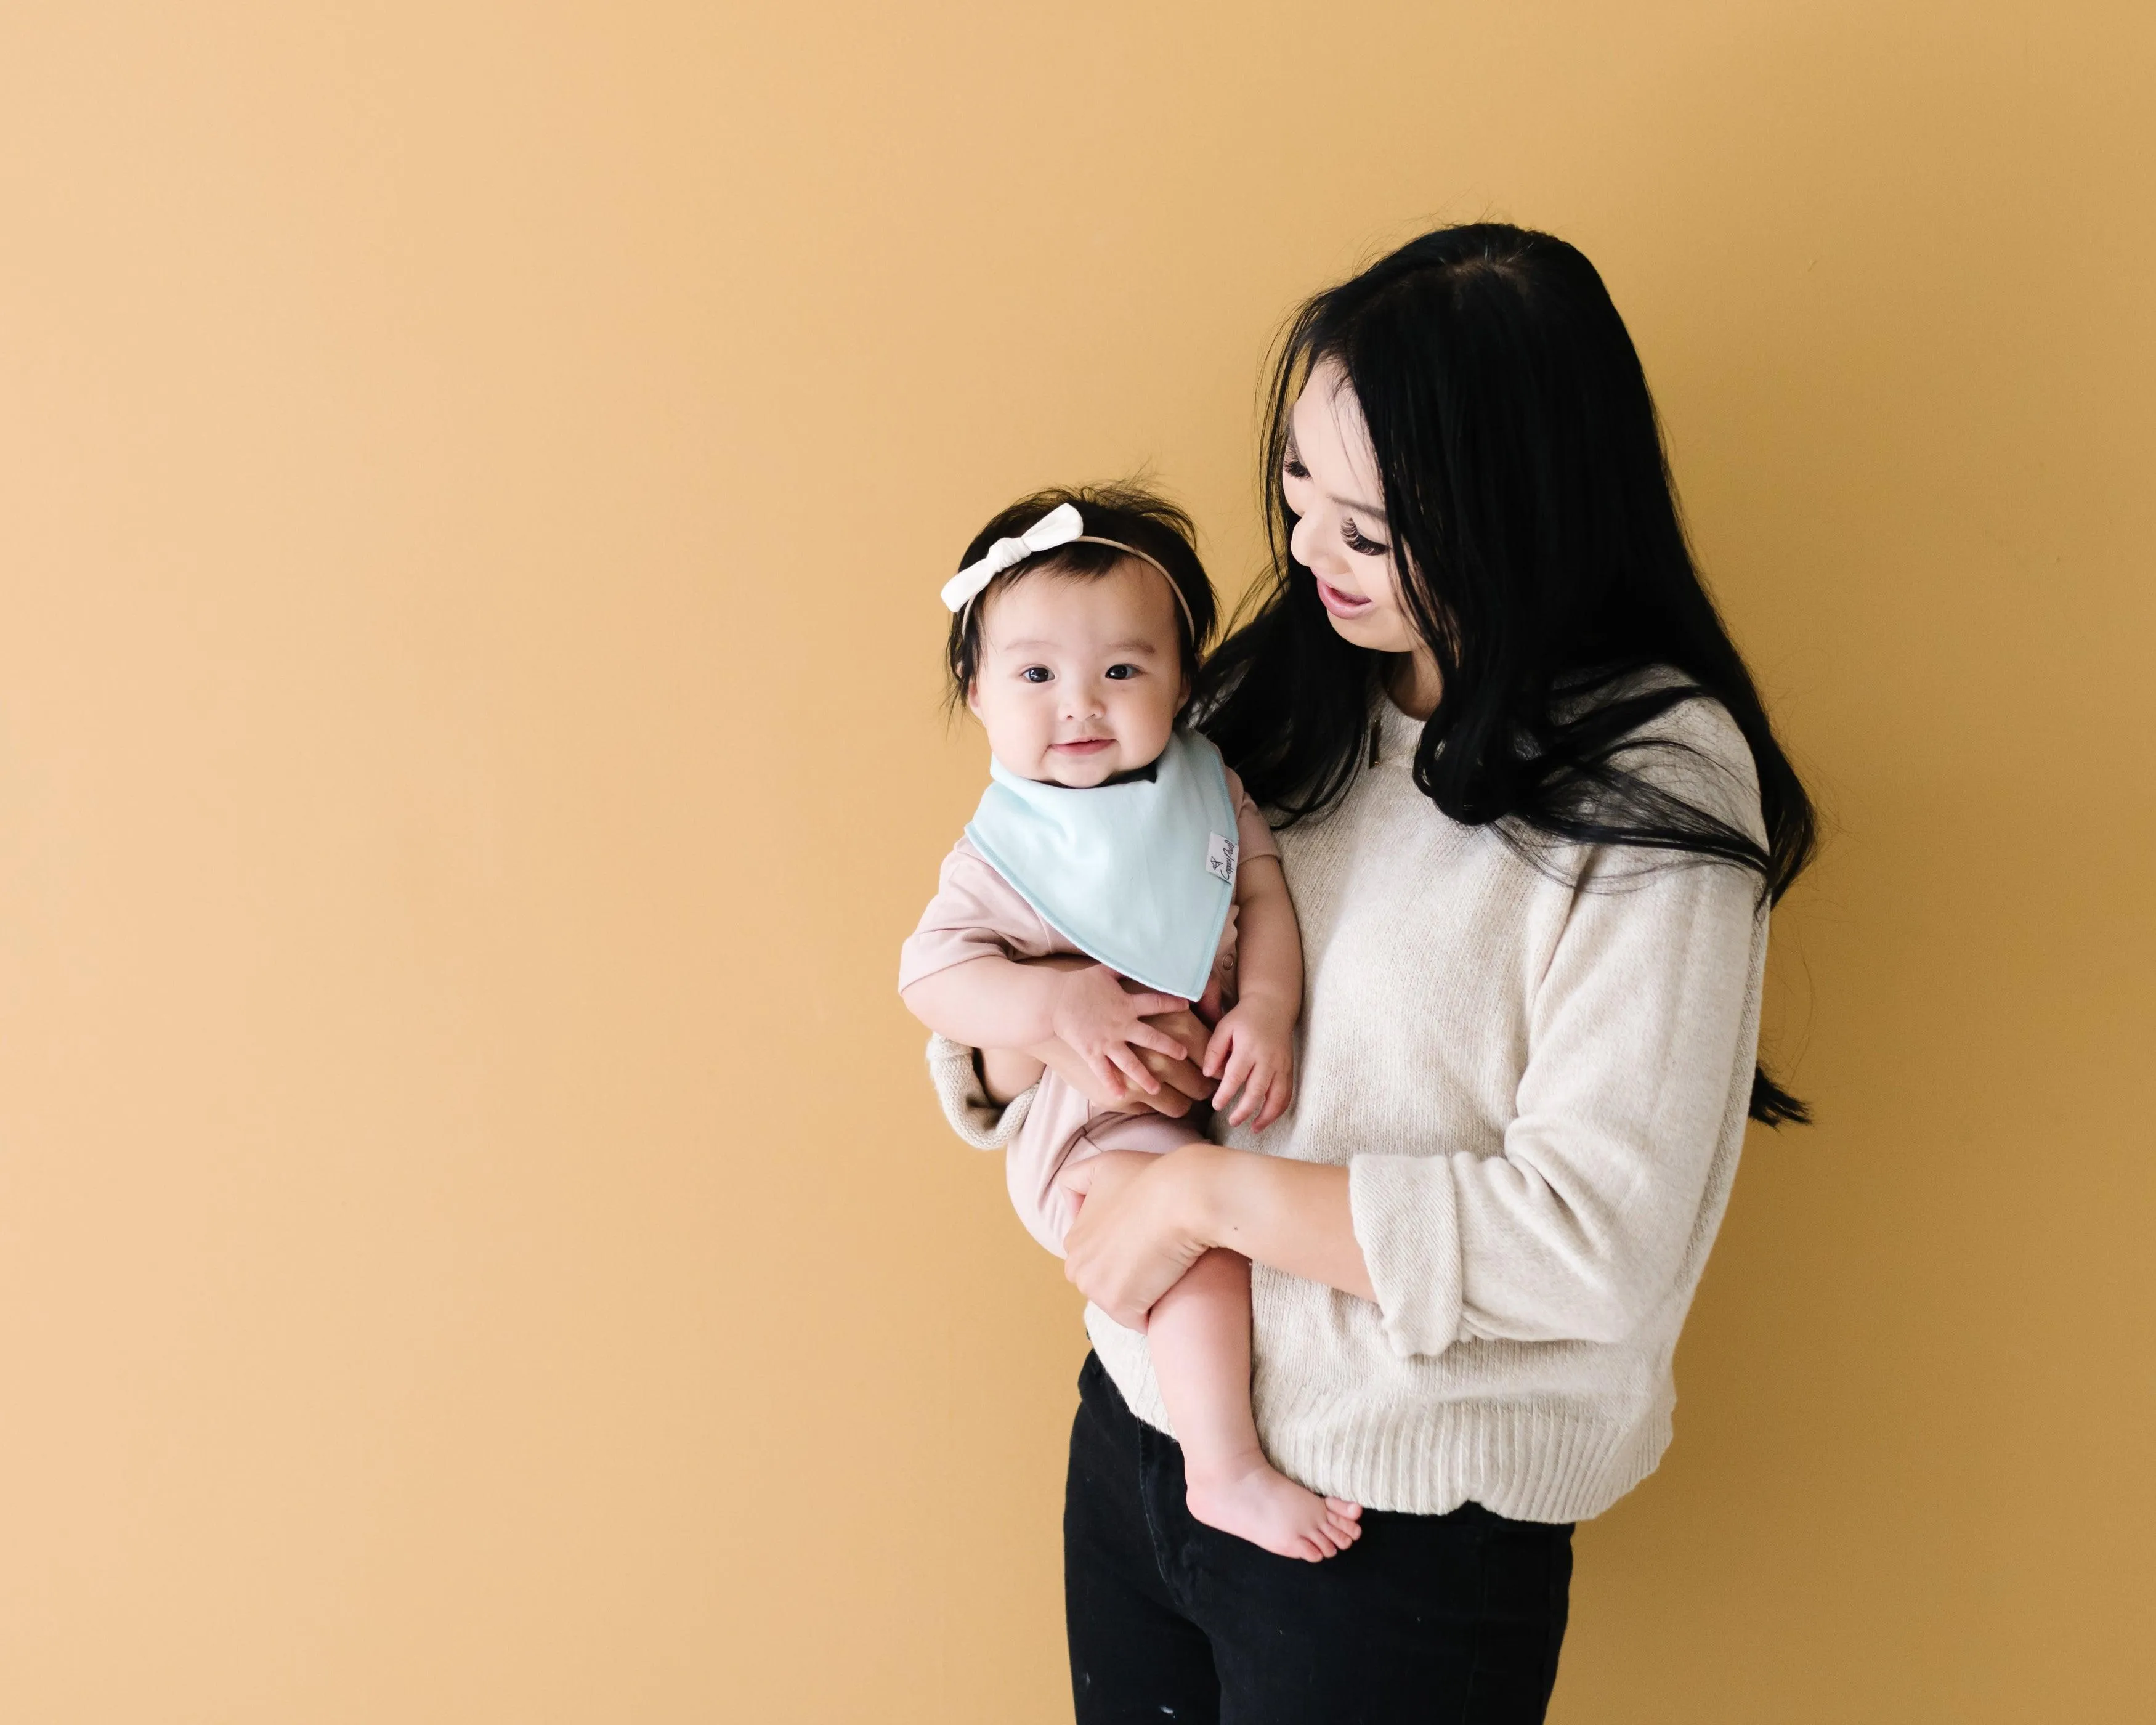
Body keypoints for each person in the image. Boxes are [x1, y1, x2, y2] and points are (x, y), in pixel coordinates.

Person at [922, 224, 1818, 1724]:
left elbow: (1598, 1240)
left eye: (1371, 526)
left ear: (1515, 513)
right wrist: (1033, 1038)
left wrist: (1201, 1196)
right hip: (1140, 1442)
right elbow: (1030, 934)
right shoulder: (1277, 689)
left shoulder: (1657, 782)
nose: (1309, 556)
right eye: (1296, 488)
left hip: (1393, 1548)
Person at [899, 486, 1363, 1562]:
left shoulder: (1207, 789)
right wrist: (1055, 1002)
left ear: (1184, 679)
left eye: (1122, 669)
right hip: (1094, 1131)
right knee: (1200, 1252)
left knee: (1212, 1219)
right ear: (978, 692)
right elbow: (931, 975)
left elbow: (1262, 898)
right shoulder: (1008, 851)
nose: (1081, 706)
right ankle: (1224, 1469)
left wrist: (1273, 1006)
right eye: (1035, 675)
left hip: (1204, 1105)